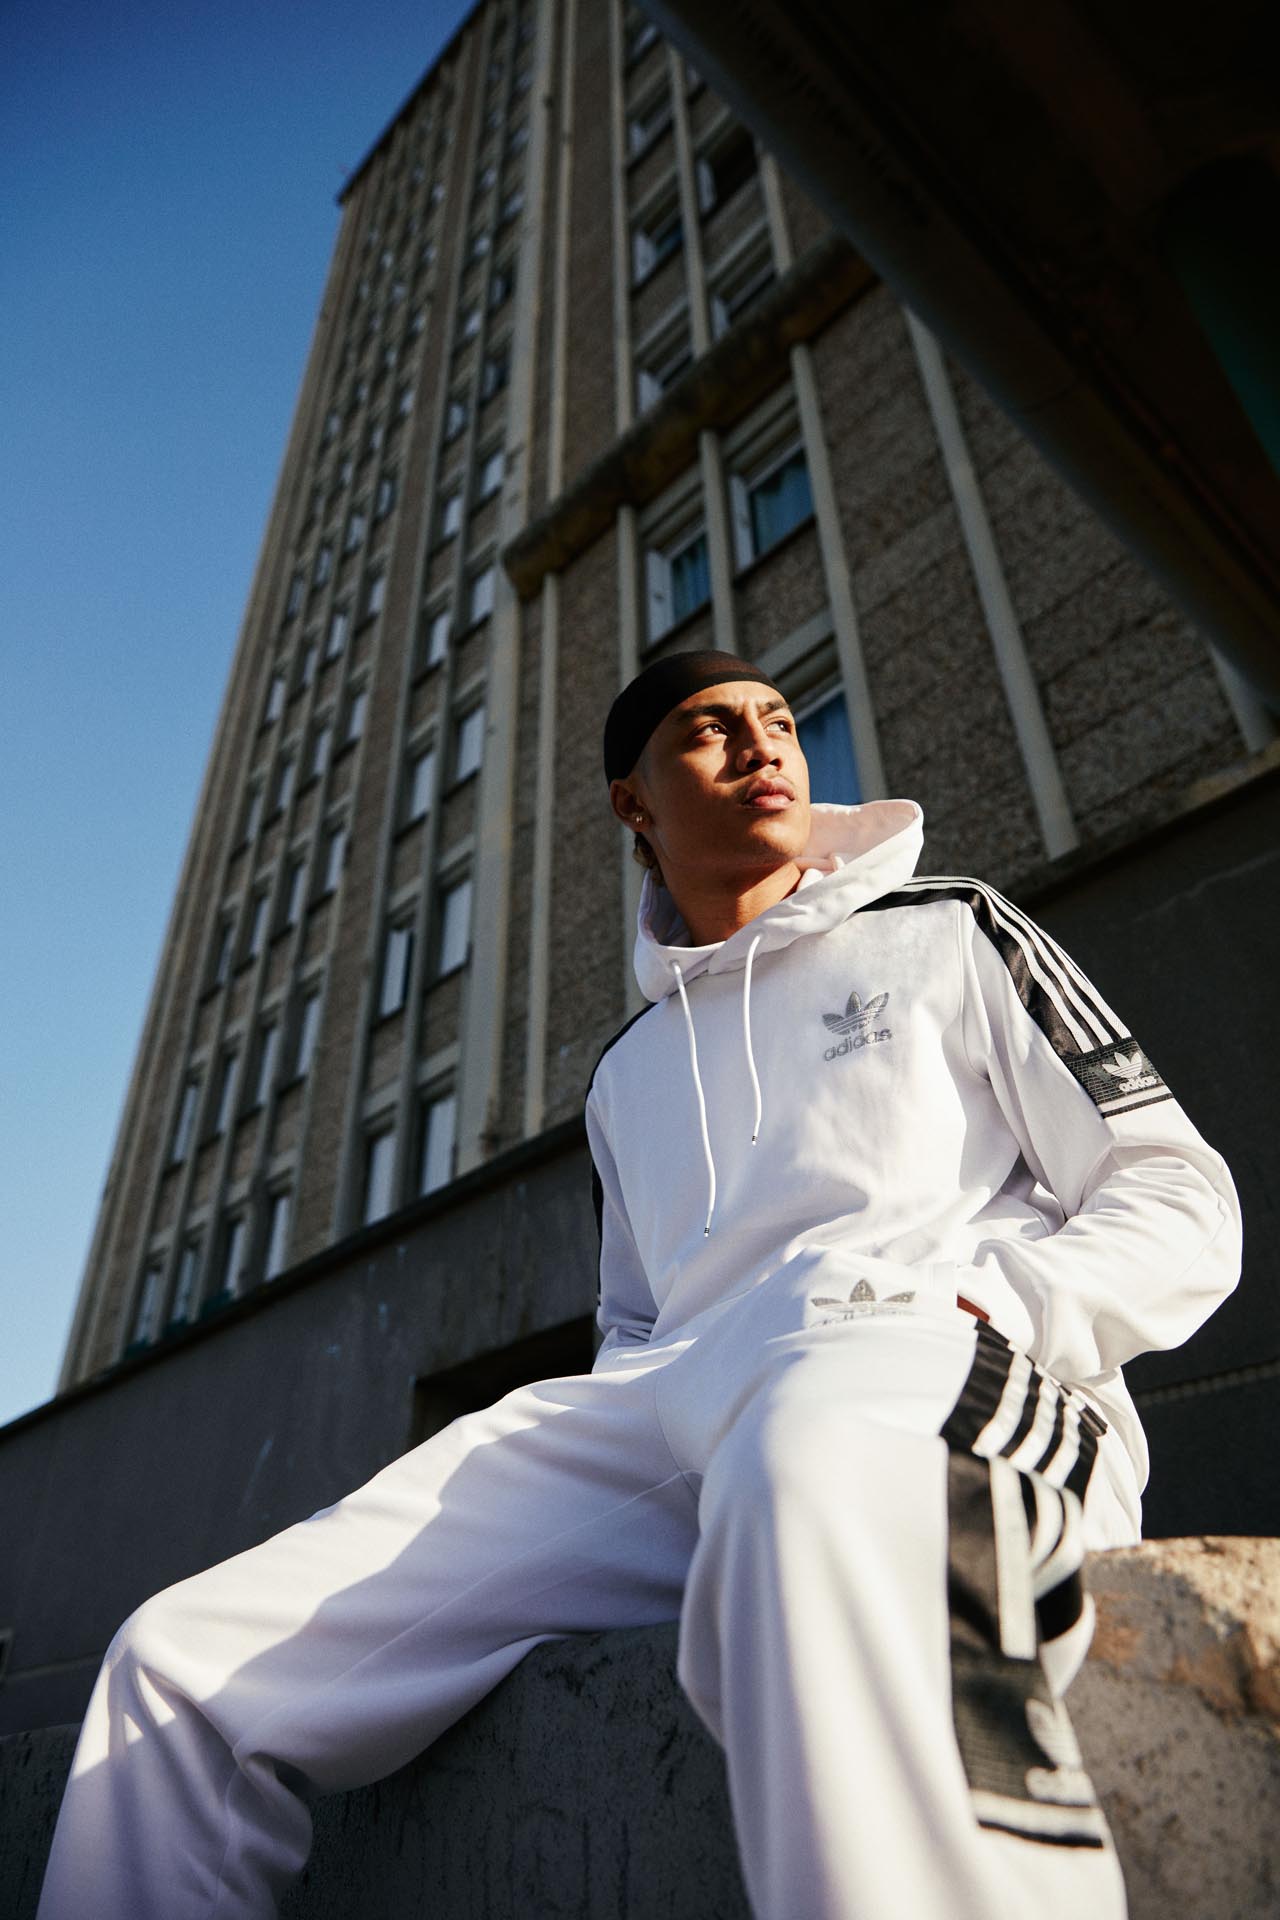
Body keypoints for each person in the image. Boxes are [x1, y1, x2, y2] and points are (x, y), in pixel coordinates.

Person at [38, 649, 1240, 1920]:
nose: (763, 746)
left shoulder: (946, 929)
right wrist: (638, 1401)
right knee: (178, 1666)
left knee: (817, 1477)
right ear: (633, 804)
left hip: (904, 1351)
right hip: (662, 1409)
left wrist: (985, 1304)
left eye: (779, 722)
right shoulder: (625, 1074)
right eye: (711, 731)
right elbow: (630, 1319)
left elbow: (1174, 1190)